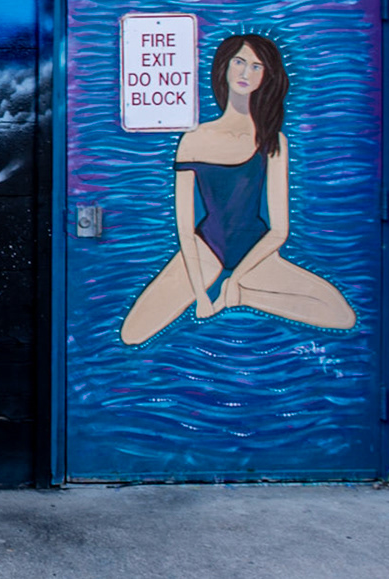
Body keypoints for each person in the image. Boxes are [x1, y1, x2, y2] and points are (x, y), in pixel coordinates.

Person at [120, 33, 354, 346]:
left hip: (255, 252)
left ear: (267, 77)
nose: (246, 73)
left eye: (257, 67)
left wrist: (237, 281)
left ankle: (244, 296)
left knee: (340, 313)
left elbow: (279, 230)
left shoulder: (273, 142)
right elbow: (185, 229)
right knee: (132, 333)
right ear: (224, 67)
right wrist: (202, 295)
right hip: (206, 248)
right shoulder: (194, 139)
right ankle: (234, 291)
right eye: (240, 62)